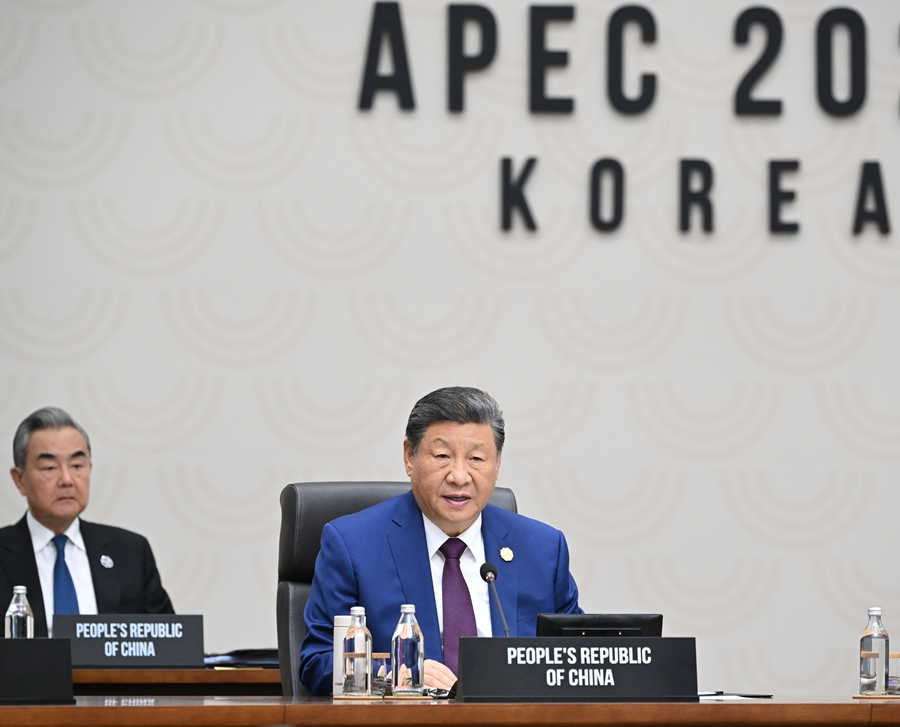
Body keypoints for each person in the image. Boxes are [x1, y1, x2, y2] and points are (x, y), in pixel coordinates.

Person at [299, 386, 582, 696]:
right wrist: (396, 675)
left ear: (498, 464)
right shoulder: (353, 545)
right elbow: (318, 662)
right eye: (443, 456)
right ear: (410, 456)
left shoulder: (542, 548)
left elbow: (578, 658)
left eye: (476, 458)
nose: (459, 476)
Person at [0, 407, 173, 637]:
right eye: (50, 468)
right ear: (20, 479)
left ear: (89, 469)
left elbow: (168, 643)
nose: (67, 480)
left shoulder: (131, 553)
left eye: (77, 466)